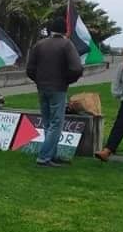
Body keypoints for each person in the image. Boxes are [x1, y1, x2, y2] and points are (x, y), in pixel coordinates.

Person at [25, 17, 83, 168]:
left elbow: (29, 69)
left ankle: (52, 155)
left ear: (51, 30)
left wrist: (39, 81)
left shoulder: (39, 44)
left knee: (47, 123)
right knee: (56, 124)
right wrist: (67, 80)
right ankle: (44, 157)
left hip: (42, 88)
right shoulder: (66, 44)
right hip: (58, 89)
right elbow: (77, 68)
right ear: (65, 30)